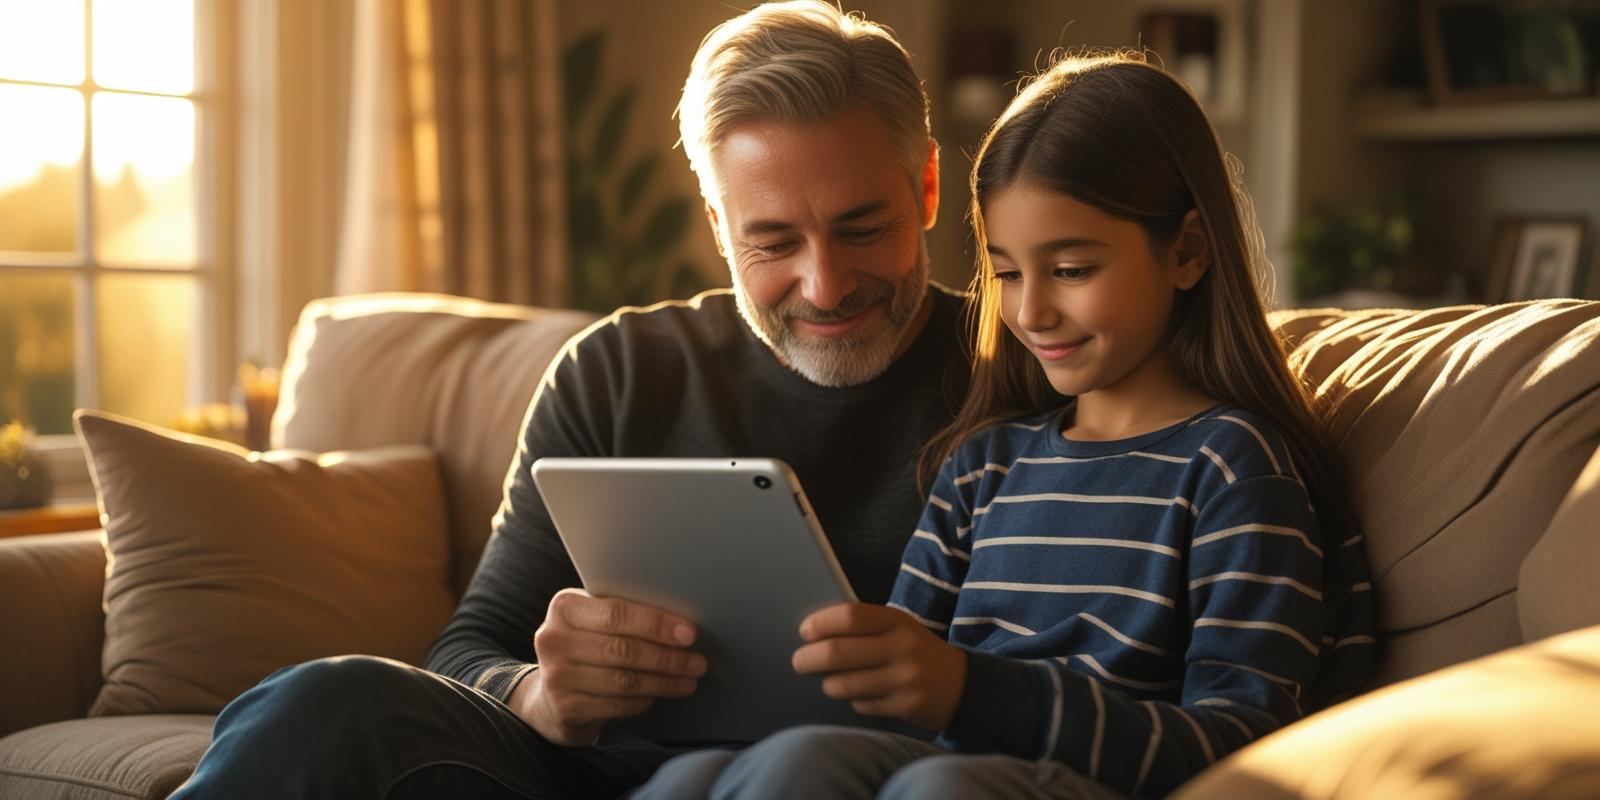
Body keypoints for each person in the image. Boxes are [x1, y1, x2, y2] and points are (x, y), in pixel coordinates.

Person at [170, 2, 971, 798]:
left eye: (862, 228)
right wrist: (540, 693)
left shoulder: (1017, 372)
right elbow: (468, 647)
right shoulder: (619, 371)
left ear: (927, 186)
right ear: (719, 224)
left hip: (846, 780)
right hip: (593, 771)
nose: (824, 285)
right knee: (328, 702)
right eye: (773, 243)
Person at [632, 51, 1377, 799]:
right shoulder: (983, 467)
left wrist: (971, 692)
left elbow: (1248, 747)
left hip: (1088, 784)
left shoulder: (1233, 469)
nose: (1029, 312)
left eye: (1073, 270)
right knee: (699, 778)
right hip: (940, 773)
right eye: (1008, 273)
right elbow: (886, 709)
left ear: (1184, 251)